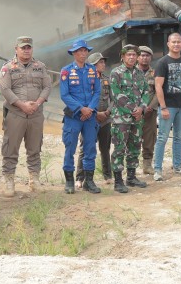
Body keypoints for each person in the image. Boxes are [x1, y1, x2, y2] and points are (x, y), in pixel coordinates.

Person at [0, 36, 52, 196]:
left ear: (32, 49)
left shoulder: (40, 67)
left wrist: (37, 103)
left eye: (28, 47)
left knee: (35, 148)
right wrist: (22, 105)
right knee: (10, 148)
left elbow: (47, 86)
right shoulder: (7, 68)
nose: (26, 50)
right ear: (16, 49)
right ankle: (9, 181)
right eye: (23, 47)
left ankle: (34, 180)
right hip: (16, 114)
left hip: (35, 113)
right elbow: (4, 89)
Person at [60, 40, 102, 194]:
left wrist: (89, 109)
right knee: (70, 147)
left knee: (90, 147)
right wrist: (81, 109)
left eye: (85, 51)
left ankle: (88, 181)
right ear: (73, 53)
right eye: (79, 51)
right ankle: (70, 181)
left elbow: (97, 91)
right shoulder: (66, 71)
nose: (83, 54)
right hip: (74, 116)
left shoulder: (93, 70)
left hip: (90, 116)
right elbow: (64, 95)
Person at [153, 33, 181, 180]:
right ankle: (157, 170)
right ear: (168, 44)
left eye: (179, 42)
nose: (176, 44)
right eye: (174, 42)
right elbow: (158, 86)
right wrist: (163, 107)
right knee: (162, 138)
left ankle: (177, 166)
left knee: (178, 137)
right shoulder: (162, 63)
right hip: (168, 106)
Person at [109, 45, 150, 193]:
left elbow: (146, 91)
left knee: (134, 147)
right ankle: (118, 181)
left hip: (137, 118)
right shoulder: (116, 73)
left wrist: (142, 108)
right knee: (119, 148)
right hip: (121, 118)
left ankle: (131, 177)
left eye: (134, 55)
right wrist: (133, 109)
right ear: (123, 56)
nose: (132, 57)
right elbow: (116, 94)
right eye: (129, 55)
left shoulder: (140, 73)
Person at [77, 52, 112, 184]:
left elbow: (113, 100)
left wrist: (108, 112)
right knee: (85, 148)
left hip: (106, 119)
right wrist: (96, 113)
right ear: (92, 65)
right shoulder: (85, 79)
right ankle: (80, 178)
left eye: (103, 62)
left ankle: (108, 176)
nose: (103, 64)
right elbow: (82, 100)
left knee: (105, 148)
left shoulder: (106, 79)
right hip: (89, 119)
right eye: (100, 62)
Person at [137, 46, 158, 175]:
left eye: (147, 55)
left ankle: (147, 164)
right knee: (132, 138)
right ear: (138, 57)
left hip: (150, 111)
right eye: (142, 55)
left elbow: (158, 91)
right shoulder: (132, 73)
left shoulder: (155, 73)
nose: (144, 58)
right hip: (134, 112)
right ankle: (131, 164)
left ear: (151, 58)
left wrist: (151, 106)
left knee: (150, 137)